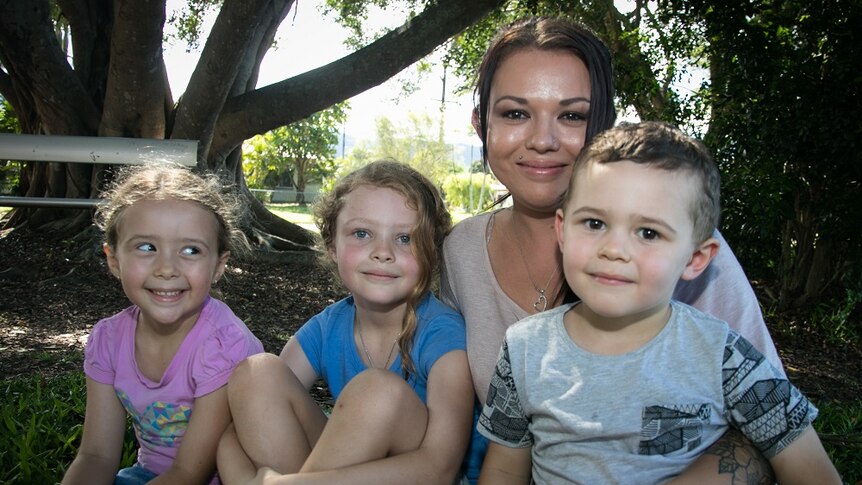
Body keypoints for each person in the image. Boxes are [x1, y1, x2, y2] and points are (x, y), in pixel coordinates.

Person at [440, 16, 784, 482]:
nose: (542, 140)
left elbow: (769, 428)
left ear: (603, 124)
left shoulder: (671, 251)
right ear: (482, 123)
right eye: (515, 113)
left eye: (572, 115)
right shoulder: (459, 252)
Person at [476, 121, 841, 484]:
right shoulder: (523, 348)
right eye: (594, 223)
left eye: (648, 232)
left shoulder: (723, 356)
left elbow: (811, 470)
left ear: (696, 259)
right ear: (562, 229)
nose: (614, 249)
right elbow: (505, 470)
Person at [216, 160, 474, 484]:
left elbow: (440, 469)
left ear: (432, 254)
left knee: (379, 391)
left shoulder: (443, 334)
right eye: (362, 233)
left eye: (405, 238)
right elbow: (245, 425)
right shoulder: (328, 327)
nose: (383, 252)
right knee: (256, 373)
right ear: (332, 247)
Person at [62, 165, 264, 485]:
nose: (167, 268)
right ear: (113, 259)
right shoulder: (108, 340)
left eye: (190, 250)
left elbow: (190, 472)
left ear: (218, 265)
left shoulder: (224, 345)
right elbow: (96, 455)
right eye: (146, 247)